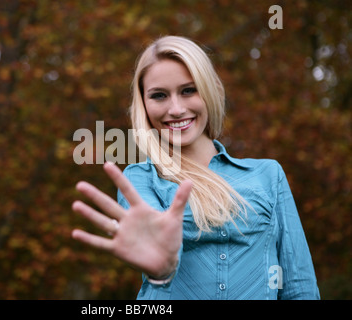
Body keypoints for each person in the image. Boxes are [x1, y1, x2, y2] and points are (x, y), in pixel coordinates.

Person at [71, 35, 320, 300]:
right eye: (159, 96)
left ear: (210, 90)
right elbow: (159, 263)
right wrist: (161, 271)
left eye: (189, 90)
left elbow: (300, 286)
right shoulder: (140, 178)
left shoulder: (269, 175)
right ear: (143, 104)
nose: (176, 109)